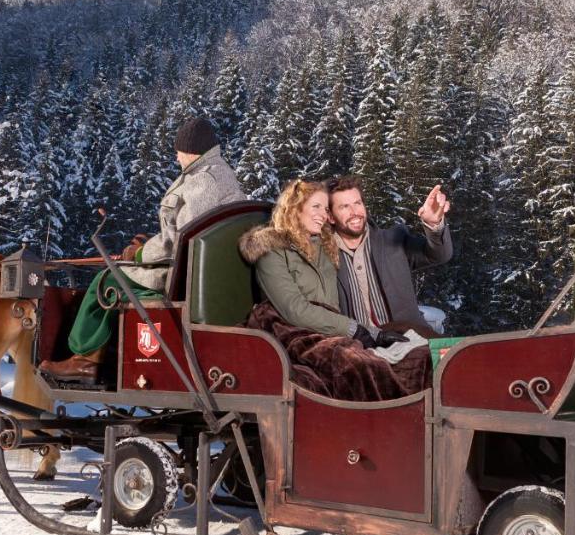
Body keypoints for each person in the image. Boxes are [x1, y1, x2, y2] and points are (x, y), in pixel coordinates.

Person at [41, 117, 247, 382]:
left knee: (106, 281)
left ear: (192, 152)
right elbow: (187, 232)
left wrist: (138, 254)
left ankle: (85, 360)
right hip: (197, 270)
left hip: (184, 278)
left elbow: (180, 240)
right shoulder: (220, 173)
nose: (177, 159)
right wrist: (150, 243)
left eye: (179, 153)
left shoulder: (203, 183)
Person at [239, 179, 429, 401]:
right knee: (360, 366)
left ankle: (419, 413)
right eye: (316, 207)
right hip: (291, 329)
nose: (323, 214)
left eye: (326, 208)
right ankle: (379, 423)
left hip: (327, 329)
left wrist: (374, 333)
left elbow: (332, 306)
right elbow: (295, 310)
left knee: (415, 356)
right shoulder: (272, 251)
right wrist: (353, 329)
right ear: (295, 209)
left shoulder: (323, 245)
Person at [327, 176, 452, 337]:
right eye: (344, 206)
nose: (355, 212)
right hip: (356, 348)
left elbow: (439, 255)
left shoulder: (393, 240)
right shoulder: (322, 257)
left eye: (358, 203)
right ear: (330, 216)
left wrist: (434, 224)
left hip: (409, 339)